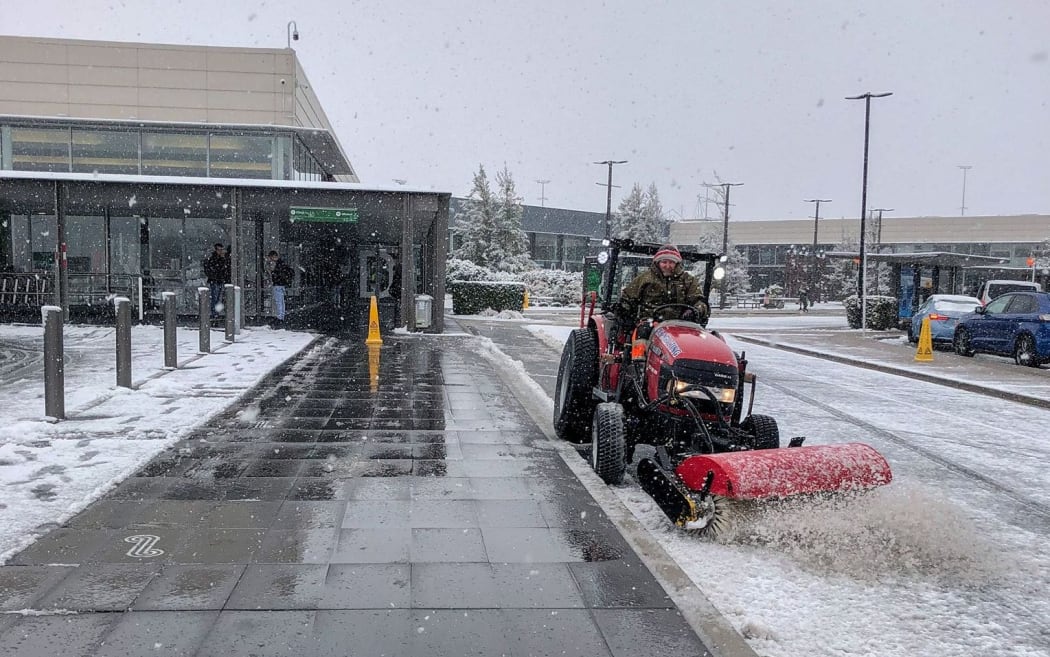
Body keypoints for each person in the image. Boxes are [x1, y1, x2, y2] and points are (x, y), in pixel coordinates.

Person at [618, 245, 710, 356]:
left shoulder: (688, 280)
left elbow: (699, 301)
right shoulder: (645, 279)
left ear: (677, 264)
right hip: (651, 321)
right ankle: (639, 361)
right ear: (658, 263)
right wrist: (625, 310)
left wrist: (695, 310)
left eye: (671, 262)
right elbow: (628, 297)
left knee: (694, 342)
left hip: (680, 323)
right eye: (664, 262)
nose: (667, 266)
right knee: (642, 333)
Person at [266, 250, 294, 324]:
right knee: (281, 302)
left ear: (272, 257)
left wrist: (272, 272)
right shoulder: (282, 263)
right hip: (282, 284)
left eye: (270, 257)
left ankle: (279, 318)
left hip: (277, 284)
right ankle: (281, 317)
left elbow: (275, 274)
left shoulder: (276, 264)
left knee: (279, 301)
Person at [202, 243, 230, 314]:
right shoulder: (213, 259)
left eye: (221, 250)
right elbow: (212, 269)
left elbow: (224, 269)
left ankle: (215, 314)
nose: (220, 252)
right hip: (215, 281)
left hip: (219, 280)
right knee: (215, 299)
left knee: (218, 299)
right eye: (219, 250)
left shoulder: (222, 259)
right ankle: (214, 314)